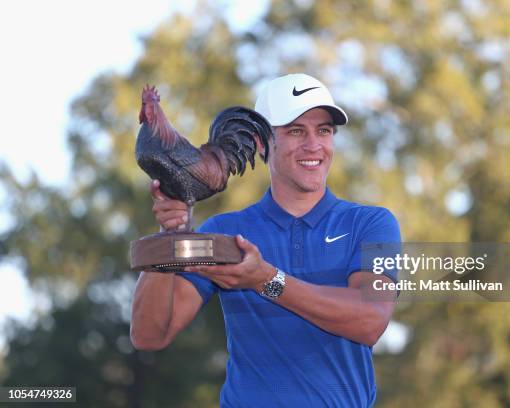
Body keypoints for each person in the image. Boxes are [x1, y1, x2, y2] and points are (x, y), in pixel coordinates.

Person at [130, 73, 401, 407]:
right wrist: (168, 238)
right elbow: (149, 334)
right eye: (296, 131)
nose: (314, 145)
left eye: (324, 131)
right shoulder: (224, 231)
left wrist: (267, 280)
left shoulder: (373, 224)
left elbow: (370, 319)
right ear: (262, 143)